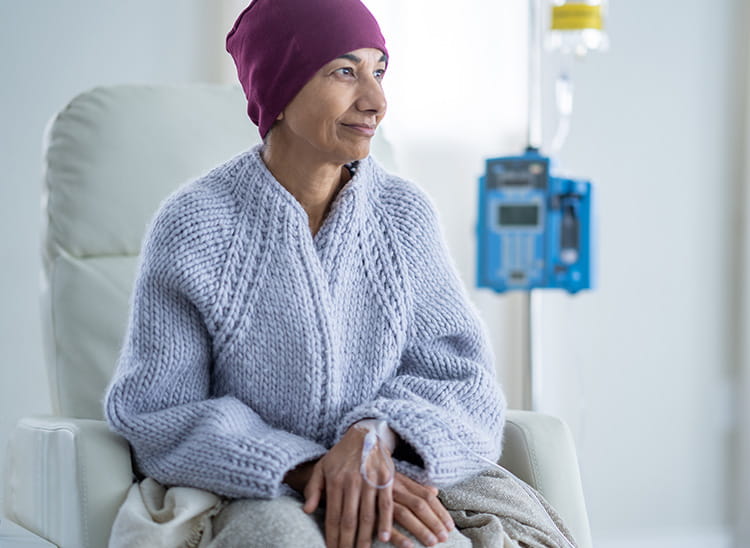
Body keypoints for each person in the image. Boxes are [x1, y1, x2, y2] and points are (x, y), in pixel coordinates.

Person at [104, 1, 510, 546]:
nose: (376, 101)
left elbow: (462, 378)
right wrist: (311, 468)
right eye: (345, 71)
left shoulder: (404, 215)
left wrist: (374, 436)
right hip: (249, 487)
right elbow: (159, 410)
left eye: (379, 71)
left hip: (388, 471)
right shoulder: (194, 225)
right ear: (280, 87)